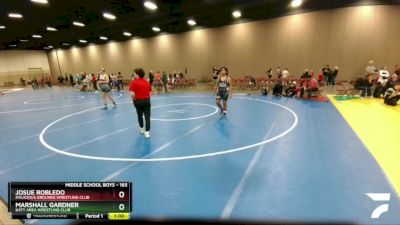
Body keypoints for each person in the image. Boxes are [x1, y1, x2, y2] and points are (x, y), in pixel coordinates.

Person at [129, 68, 152, 138]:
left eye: (134, 73)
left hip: (138, 101)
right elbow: (150, 92)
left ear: (137, 74)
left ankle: (141, 128)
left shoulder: (134, 82)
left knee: (139, 115)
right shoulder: (147, 82)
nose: (134, 75)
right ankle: (147, 132)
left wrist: (133, 101)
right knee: (147, 117)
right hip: (147, 100)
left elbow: (132, 94)